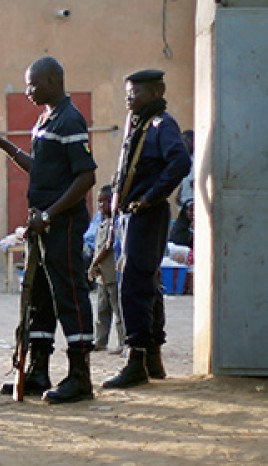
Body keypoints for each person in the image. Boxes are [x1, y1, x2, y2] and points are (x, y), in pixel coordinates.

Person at [0, 56, 97, 404]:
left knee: (69, 293)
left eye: (33, 84)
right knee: (40, 296)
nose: (28, 91)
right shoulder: (46, 118)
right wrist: (5, 146)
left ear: (52, 80)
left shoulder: (70, 119)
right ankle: (37, 370)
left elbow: (86, 177)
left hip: (62, 224)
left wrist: (49, 215)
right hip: (43, 223)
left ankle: (80, 377)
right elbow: (43, 170)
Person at [101, 69, 191, 389]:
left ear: (157, 91)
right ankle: (152, 358)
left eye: (135, 92)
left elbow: (180, 161)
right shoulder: (139, 124)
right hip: (132, 217)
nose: (129, 98)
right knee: (148, 283)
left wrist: (151, 197)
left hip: (146, 216)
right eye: (128, 92)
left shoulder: (161, 125)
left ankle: (136, 359)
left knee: (134, 285)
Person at [88, 185, 125, 354]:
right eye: (100, 202)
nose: (103, 205)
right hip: (103, 275)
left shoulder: (116, 223)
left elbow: (109, 246)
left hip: (114, 274)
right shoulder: (101, 223)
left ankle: (123, 342)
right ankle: (100, 340)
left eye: (107, 201)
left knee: (118, 310)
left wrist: (94, 263)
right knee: (102, 309)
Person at [175, 130, 194, 208]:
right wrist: (179, 192)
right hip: (184, 202)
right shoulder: (185, 158)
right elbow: (185, 178)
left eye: (186, 141)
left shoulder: (198, 159)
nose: (183, 144)